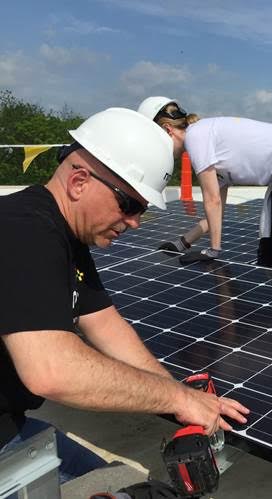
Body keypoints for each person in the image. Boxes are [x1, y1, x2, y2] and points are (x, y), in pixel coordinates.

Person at [0, 108, 249, 483]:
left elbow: (106, 325)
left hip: (10, 426)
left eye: (142, 210)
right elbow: (51, 371)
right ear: (79, 181)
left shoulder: (65, 235)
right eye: (129, 205)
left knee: (126, 485)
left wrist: (178, 394)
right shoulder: (23, 231)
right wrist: (179, 400)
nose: (135, 221)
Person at [137, 97, 272, 274]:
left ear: (167, 129)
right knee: (269, 254)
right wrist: (182, 243)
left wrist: (213, 251)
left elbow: (212, 200)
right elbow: (217, 211)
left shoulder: (196, 137)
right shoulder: (211, 146)